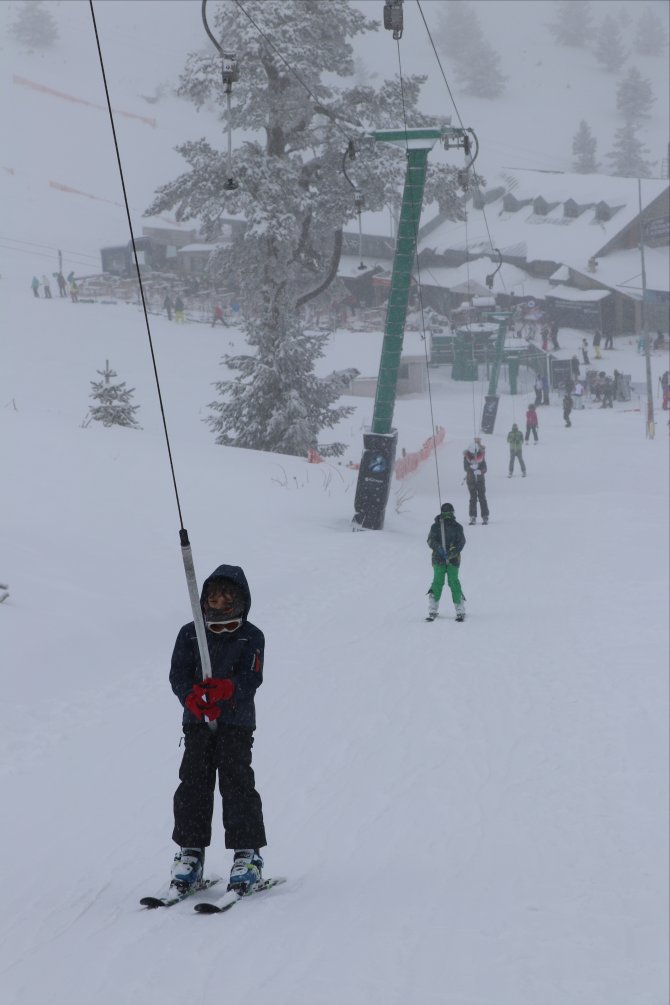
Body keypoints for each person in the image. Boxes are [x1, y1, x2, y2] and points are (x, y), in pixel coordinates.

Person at [168, 564, 267, 895]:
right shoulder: (189, 633)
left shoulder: (251, 635)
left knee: (237, 784)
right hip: (197, 722)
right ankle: (191, 855)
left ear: (240, 600)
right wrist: (192, 698)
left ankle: (247, 856)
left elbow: (252, 678)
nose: (219, 605)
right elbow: (179, 674)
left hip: (236, 724)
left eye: (227, 599)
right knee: (193, 785)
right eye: (213, 599)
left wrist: (226, 690)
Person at [426, 503, 466, 622]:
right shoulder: (436, 527)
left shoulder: (457, 527)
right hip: (438, 559)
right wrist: (438, 548)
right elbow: (430, 540)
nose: (448, 516)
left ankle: (460, 608)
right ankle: (432, 608)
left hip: (453, 560)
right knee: (437, 581)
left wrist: (453, 551)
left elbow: (461, 542)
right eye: (445, 514)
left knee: (453, 582)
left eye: (450, 514)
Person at [463, 438, 489, 525]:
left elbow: (485, 468)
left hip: (480, 480)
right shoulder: (466, 457)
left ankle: (485, 515)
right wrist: (471, 468)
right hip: (471, 481)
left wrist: (480, 471)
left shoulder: (481, 457)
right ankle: (472, 516)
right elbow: (465, 468)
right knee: (473, 498)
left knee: (482, 497)